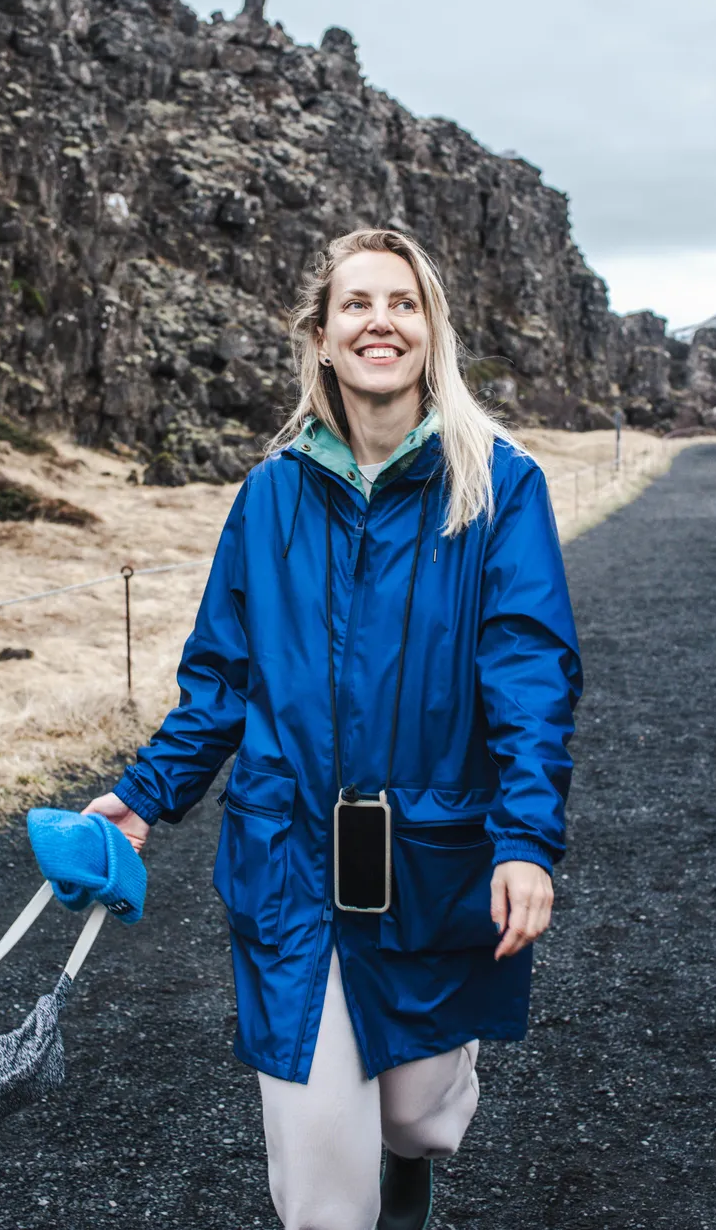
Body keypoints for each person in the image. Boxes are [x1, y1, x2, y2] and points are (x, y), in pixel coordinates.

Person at [82, 228, 583, 1230]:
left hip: (436, 858)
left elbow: (529, 671)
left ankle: (412, 1147)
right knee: (321, 1191)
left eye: (402, 303)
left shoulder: (498, 485)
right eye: (356, 304)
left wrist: (526, 840)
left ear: (430, 330)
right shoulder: (269, 499)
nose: (379, 322)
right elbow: (221, 680)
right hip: (290, 866)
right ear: (320, 336)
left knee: (417, 1120)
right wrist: (141, 799)